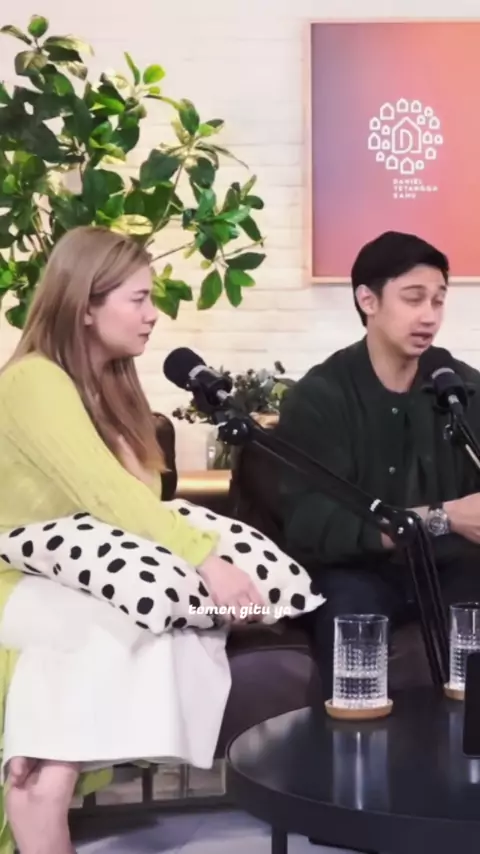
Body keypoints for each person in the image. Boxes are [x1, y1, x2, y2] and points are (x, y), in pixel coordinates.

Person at [0, 225, 265, 854]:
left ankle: (42, 775)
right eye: (138, 299)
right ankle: (38, 783)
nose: (152, 315)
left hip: (75, 579)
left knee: (166, 620)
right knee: (121, 623)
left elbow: (136, 502)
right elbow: (107, 496)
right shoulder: (35, 381)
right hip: (17, 579)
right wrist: (208, 561)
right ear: (85, 306)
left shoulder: (108, 389)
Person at [276, 230, 480, 698]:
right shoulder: (319, 397)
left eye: (438, 300)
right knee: (349, 611)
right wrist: (443, 517)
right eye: (413, 298)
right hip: (356, 572)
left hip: (451, 568)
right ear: (367, 300)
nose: (429, 316)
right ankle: (352, 743)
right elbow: (311, 525)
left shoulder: (461, 389)